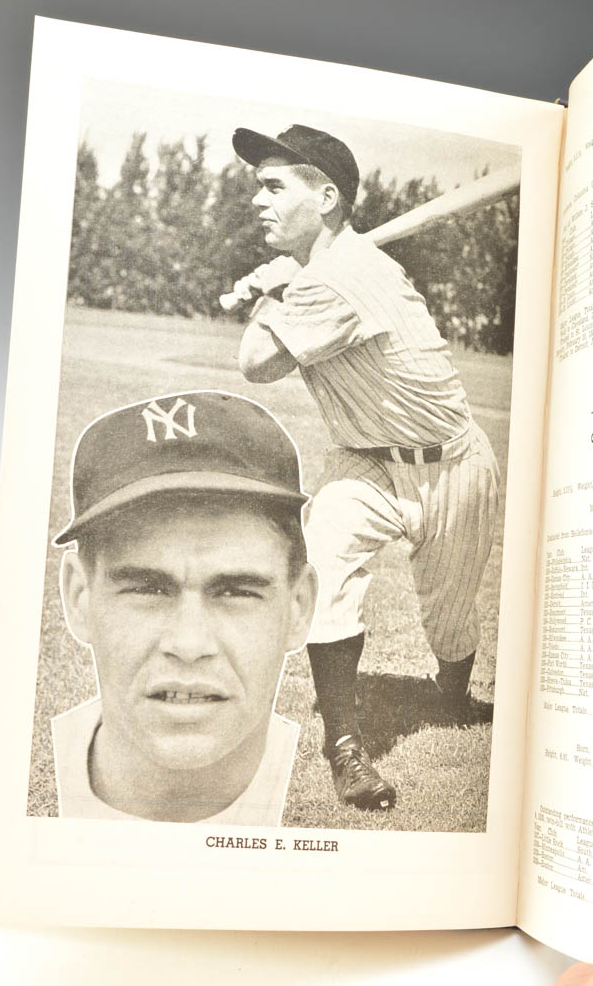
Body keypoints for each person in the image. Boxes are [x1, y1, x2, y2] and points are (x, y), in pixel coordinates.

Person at [231, 123, 499, 813]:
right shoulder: (327, 271)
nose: (255, 199)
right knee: (324, 565)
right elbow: (263, 359)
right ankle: (345, 747)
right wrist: (287, 281)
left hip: (452, 465)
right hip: (364, 463)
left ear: (325, 198)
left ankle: (451, 694)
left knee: (447, 619)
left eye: (271, 186)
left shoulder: (345, 278)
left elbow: (256, 363)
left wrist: (274, 288)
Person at [50, 390, 317, 825]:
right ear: (79, 599)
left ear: (299, 608)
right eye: (148, 590)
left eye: (237, 592)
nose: (189, 644)